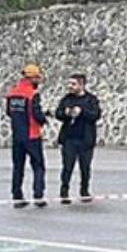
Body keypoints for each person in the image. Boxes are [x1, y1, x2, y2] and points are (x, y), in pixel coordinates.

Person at [6, 64, 49, 207]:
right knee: (38, 166)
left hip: (17, 136)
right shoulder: (32, 94)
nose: (39, 81)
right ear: (32, 78)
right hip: (32, 135)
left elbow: (8, 112)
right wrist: (44, 119)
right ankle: (38, 195)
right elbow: (36, 115)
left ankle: (17, 196)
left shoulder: (12, 93)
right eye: (38, 78)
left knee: (18, 167)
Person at [53, 74, 102, 203]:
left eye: (73, 84)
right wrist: (66, 113)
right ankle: (64, 192)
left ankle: (84, 191)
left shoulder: (91, 99)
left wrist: (82, 111)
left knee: (85, 167)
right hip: (69, 138)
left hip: (85, 139)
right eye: (69, 84)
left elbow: (96, 115)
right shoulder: (66, 99)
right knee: (67, 167)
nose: (70, 86)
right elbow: (58, 113)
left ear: (81, 85)